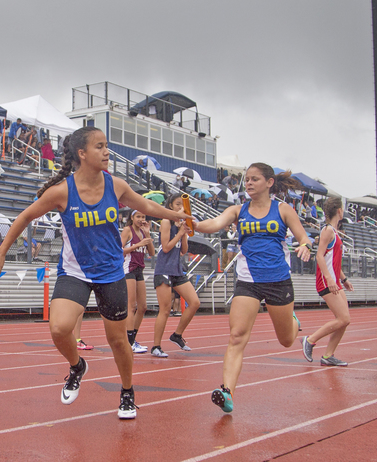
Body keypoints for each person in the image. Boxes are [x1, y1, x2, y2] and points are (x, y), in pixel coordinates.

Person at [0, 126, 190, 419]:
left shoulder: (115, 186)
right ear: (82, 154)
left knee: (118, 341)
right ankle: (77, 366)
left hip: (111, 273)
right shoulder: (62, 191)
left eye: (107, 146)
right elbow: (25, 216)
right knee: (59, 328)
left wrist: (175, 215)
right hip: (75, 271)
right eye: (100, 146)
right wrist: (1, 253)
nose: (107, 152)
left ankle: (127, 392)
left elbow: (145, 205)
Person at [194, 164, 312, 413]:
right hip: (247, 281)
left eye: (254, 179)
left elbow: (304, 237)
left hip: (278, 281)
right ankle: (227, 392)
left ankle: (291, 319)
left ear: (269, 183)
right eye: (246, 179)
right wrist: (193, 225)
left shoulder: (283, 209)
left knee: (286, 340)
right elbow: (215, 224)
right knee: (236, 336)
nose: (248, 183)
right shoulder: (238, 210)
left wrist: (304, 246)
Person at [301, 197, 354, 366]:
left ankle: (328, 355)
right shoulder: (328, 231)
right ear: (339, 211)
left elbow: (334, 260)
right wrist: (330, 278)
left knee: (344, 320)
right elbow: (319, 256)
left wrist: (343, 279)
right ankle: (310, 340)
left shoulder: (334, 232)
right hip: (326, 281)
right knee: (343, 318)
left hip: (334, 280)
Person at [151, 193, 201, 357]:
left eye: (183, 205)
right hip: (164, 269)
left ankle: (177, 335)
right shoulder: (166, 222)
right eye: (178, 204)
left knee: (194, 302)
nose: (181, 208)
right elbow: (165, 248)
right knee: (165, 310)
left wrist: (184, 233)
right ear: (171, 206)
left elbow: (183, 251)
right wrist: (179, 233)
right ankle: (156, 346)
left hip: (177, 269)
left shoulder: (181, 224)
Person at [121, 209, 155, 353]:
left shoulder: (143, 232)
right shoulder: (127, 231)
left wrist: (147, 234)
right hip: (128, 269)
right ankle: (129, 341)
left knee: (143, 306)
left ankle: (132, 338)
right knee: (131, 306)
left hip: (139, 270)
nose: (141, 219)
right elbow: (119, 250)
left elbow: (152, 253)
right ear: (132, 217)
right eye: (138, 217)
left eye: (143, 217)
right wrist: (137, 245)